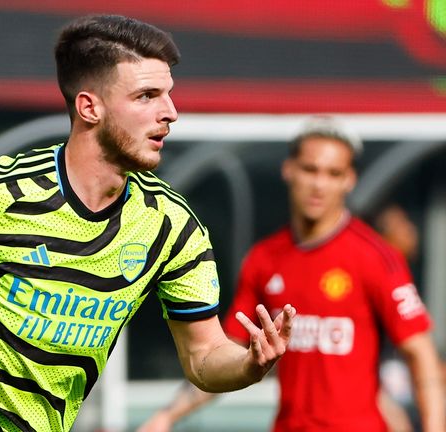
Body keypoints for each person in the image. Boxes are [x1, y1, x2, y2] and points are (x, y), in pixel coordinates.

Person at [0, 14, 296, 432]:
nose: (170, 112)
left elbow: (203, 357)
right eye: (147, 96)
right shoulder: (3, 190)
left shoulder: (171, 226)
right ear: (89, 108)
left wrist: (249, 364)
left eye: (169, 94)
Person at [138, 116, 445, 432]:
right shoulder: (265, 259)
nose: (319, 184)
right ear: (290, 170)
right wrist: (168, 415)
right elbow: (227, 354)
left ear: (349, 180)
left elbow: (420, 353)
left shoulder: (376, 257)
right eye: (310, 169)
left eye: (333, 173)